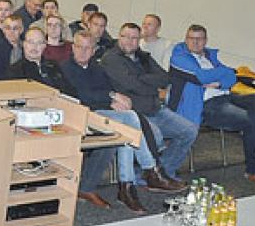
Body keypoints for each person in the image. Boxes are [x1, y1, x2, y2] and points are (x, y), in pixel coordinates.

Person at [61, 31, 184, 212]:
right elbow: (81, 94)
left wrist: (113, 101)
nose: (83, 51)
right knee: (130, 119)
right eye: (79, 46)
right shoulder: (65, 67)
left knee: (126, 128)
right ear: (72, 47)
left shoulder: (96, 67)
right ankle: (149, 170)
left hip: (100, 113)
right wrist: (111, 97)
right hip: (79, 114)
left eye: (88, 48)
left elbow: (107, 88)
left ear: (94, 50)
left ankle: (127, 186)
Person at [101, 23, 199, 179]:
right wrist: (151, 87)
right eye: (125, 36)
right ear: (119, 37)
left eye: (134, 38)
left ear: (139, 39)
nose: (129, 41)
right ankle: (151, 174)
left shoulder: (143, 57)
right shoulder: (111, 59)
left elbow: (165, 78)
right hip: (134, 114)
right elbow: (130, 85)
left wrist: (142, 79)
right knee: (155, 136)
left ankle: (162, 172)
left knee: (189, 131)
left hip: (156, 109)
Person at [169, 24, 255, 183]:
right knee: (249, 120)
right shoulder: (179, 56)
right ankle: (252, 169)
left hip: (226, 95)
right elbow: (202, 76)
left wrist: (219, 83)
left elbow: (232, 76)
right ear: (186, 39)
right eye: (191, 38)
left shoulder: (210, 57)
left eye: (199, 39)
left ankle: (253, 165)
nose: (195, 42)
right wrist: (224, 75)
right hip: (207, 105)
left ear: (205, 40)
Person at [0, 14, 24, 81]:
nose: (11, 32)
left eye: (15, 28)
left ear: (21, 30)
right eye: (8, 28)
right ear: (3, 30)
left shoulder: (26, 48)